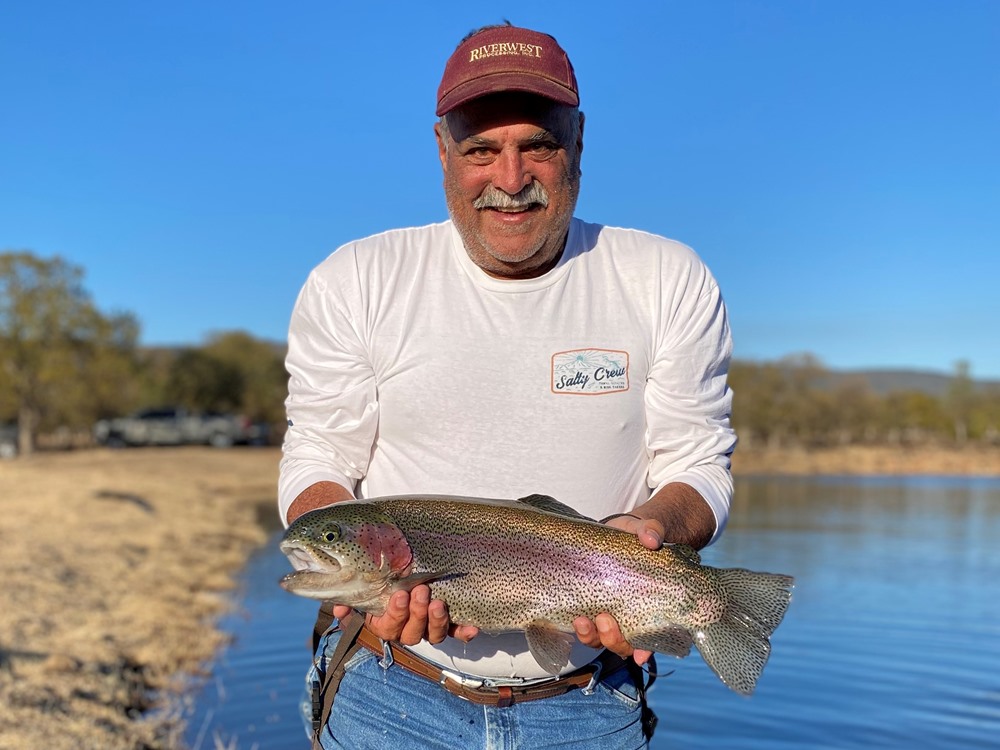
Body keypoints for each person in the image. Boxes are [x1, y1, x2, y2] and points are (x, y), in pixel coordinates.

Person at [280, 22, 736, 750]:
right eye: (481, 150)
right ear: (441, 150)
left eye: (539, 146)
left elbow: (699, 465)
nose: (511, 177)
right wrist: (356, 563)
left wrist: (650, 533)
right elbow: (317, 456)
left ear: (579, 143)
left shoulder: (666, 278)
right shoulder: (354, 280)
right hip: (389, 690)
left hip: (589, 699)